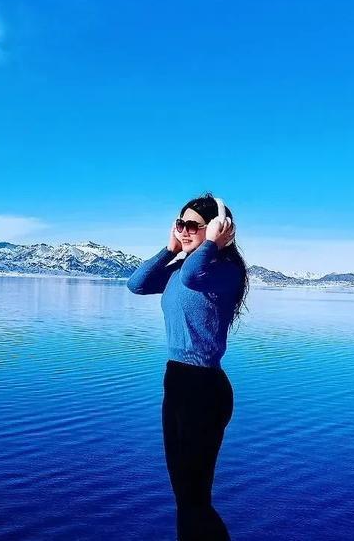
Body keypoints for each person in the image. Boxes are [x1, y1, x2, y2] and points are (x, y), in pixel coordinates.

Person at [126, 193, 249, 540]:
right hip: (177, 383)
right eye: (179, 223)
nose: (183, 230)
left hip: (204, 389)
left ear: (216, 228)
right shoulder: (181, 266)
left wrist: (210, 243)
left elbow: (194, 277)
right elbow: (136, 284)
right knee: (184, 497)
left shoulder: (225, 270)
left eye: (192, 225)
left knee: (196, 499)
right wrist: (169, 250)